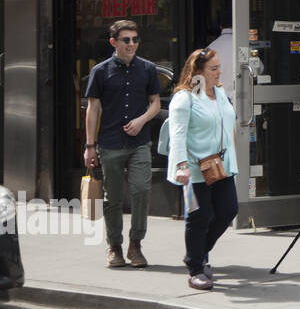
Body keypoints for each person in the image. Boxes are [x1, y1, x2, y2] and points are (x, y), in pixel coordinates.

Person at [84, 20, 161, 269]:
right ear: (113, 42)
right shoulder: (101, 71)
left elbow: (156, 104)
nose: (131, 44)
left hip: (139, 142)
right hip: (110, 143)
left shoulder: (148, 69)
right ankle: (114, 246)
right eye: (126, 40)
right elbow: (93, 110)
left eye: (135, 39)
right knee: (113, 198)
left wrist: (141, 121)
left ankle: (135, 244)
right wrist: (90, 145)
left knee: (141, 191)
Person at [166, 48, 238, 291]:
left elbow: (228, 124)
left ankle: (198, 252)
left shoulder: (218, 93)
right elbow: (178, 135)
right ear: (198, 72)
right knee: (199, 217)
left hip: (221, 166)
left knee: (228, 211)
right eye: (214, 69)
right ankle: (195, 269)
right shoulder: (185, 98)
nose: (220, 72)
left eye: (219, 67)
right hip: (195, 168)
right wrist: (181, 166)